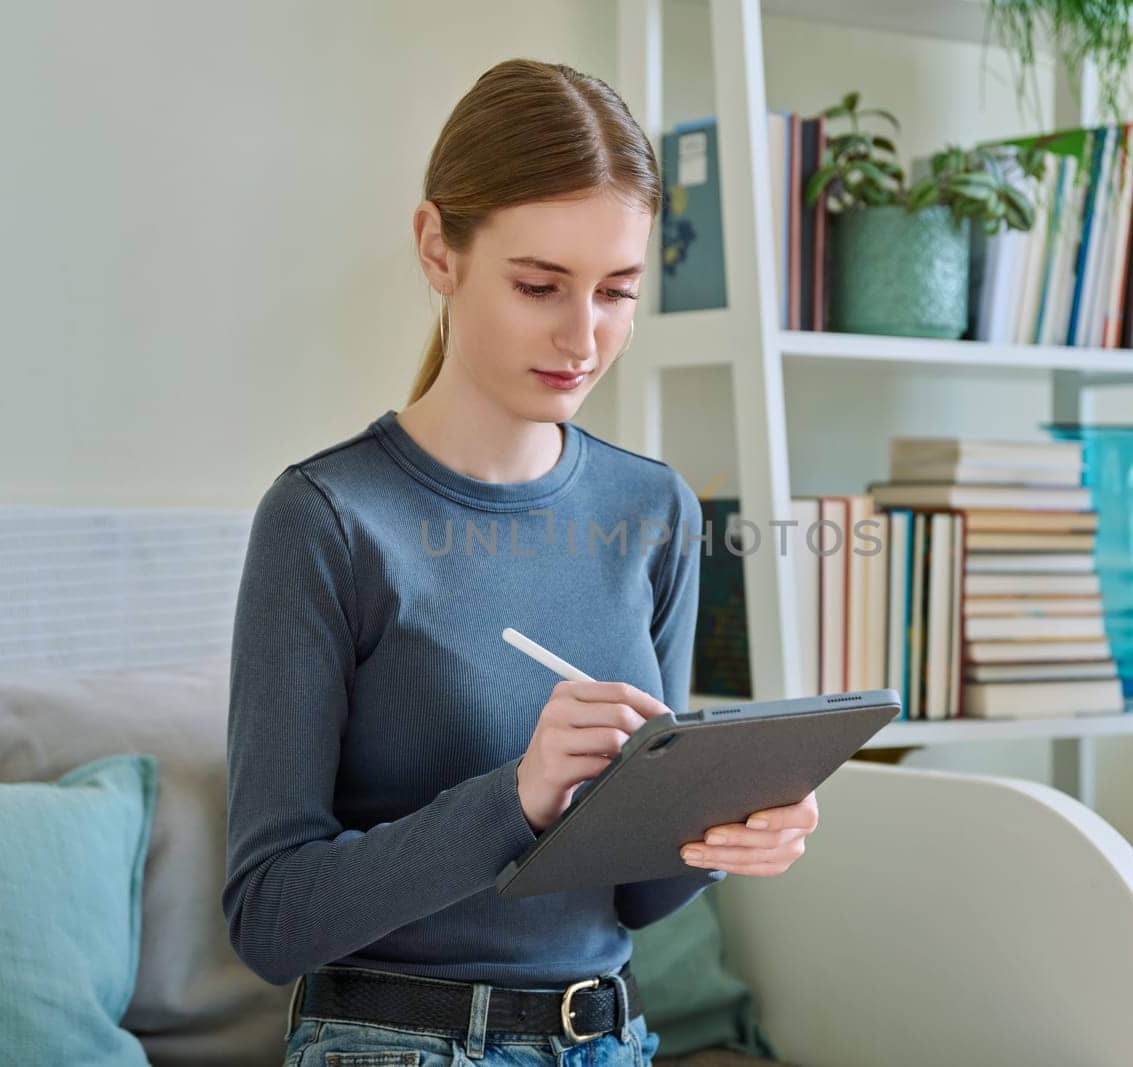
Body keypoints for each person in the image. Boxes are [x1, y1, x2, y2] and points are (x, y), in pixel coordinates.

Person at [222, 58, 819, 1067]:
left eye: (617, 292)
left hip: (610, 1038)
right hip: (392, 1043)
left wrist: (721, 828)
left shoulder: (652, 511)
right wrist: (517, 796)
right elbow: (269, 916)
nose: (582, 336)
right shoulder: (325, 518)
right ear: (437, 249)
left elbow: (633, 892)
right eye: (540, 285)